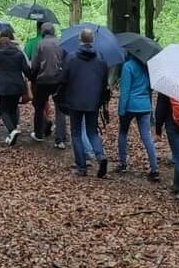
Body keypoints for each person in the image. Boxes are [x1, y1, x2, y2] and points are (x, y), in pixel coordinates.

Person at [58, 29, 110, 177]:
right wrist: (100, 101)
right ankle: (100, 156)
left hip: (75, 100)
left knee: (76, 133)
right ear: (92, 40)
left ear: (80, 40)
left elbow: (63, 79)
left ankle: (81, 167)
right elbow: (104, 82)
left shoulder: (71, 58)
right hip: (93, 101)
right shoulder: (101, 59)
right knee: (92, 132)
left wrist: (62, 96)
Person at [117, 55, 160, 181]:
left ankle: (123, 163)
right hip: (145, 105)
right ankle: (154, 168)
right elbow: (150, 87)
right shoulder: (147, 67)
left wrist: (121, 110)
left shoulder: (128, 66)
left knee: (123, 133)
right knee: (146, 136)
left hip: (130, 105)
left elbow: (125, 90)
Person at [0, 28, 30, 146]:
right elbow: (27, 70)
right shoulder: (19, 54)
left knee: (4, 110)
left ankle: (12, 130)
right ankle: (13, 131)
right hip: (17, 85)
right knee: (13, 108)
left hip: (3, 85)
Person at [29, 23, 67, 148]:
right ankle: (60, 138)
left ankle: (39, 134)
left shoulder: (40, 44)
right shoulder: (61, 43)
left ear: (43, 32)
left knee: (39, 106)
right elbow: (65, 61)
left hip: (43, 80)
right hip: (58, 80)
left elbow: (35, 64)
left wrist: (32, 77)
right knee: (60, 109)